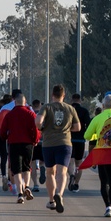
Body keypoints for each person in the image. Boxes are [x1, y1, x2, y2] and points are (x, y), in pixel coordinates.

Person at [36, 84, 81, 213]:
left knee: (50, 172)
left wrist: (42, 128)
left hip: (49, 143)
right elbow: (77, 127)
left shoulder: (46, 107)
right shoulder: (70, 108)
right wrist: (67, 129)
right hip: (65, 143)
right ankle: (60, 194)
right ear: (64, 95)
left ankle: (51, 201)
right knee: (62, 172)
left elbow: (38, 121)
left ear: (52, 95)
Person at [0, 92, 39, 204]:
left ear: (15, 102)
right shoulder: (31, 114)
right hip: (28, 145)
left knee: (16, 170)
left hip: (14, 144)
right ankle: (26, 186)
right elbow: (36, 129)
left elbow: (2, 131)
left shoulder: (9, 115)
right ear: (25, 102)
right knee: (27, 167)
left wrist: (5, 137)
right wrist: (35, 140)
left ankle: (20, 193)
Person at [82, 94, 111, 219]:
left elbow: (87, 136)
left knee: (104, 182)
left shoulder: (98, 118)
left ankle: (108, 206)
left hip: (103, 152)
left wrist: (97, 136)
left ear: (103, 106)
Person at [68, 93, 92, 192]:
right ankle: (76, 184)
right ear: (80, 101)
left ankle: (72, 175)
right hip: (80, 140)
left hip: (69, 139)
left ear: (71, 100)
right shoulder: (84, 111)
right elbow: (89, 124)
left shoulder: (68, 110)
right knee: (79, 163)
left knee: (70, 160)